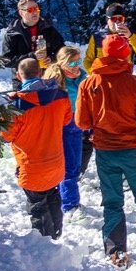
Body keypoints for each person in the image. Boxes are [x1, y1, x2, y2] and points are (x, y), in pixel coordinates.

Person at [75, 34, 136, 269]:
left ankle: (117, 252)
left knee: (112, 201)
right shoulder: (135, 83)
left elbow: (82, 122)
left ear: (104, 53)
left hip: (105, 151)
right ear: (126, 54)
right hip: (134, 150)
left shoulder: (88, 84)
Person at [0, 57, 73, 240]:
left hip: (31, 166)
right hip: (56, 162)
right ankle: (56, 233)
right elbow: (66, 120)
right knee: (52, 196)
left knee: (37, 206)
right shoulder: (60, 95)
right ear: (40, 73)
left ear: (18, 76)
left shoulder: (16, 106)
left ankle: (45, 243)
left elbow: (5, 136)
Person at [43, 45, 87, 214]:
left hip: (76, 126)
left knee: (73, 165)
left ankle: (62, 199)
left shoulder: (82, 77)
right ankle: (70, 205)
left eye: (78, 62)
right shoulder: (53, 80)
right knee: (68, 167)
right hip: (58, 126)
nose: (76, 66)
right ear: (61, 63)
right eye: (71, 63)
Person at [2, 0, 65, 80]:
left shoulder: (48, 29)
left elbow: (62, 52)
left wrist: (51, 59)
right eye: (30, 10)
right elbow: (6, 61)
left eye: (37, 9)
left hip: (47, 77)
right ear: (21, 13)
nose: (35, 12)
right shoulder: (13, 33)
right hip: (23, 80)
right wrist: (32, 56)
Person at [83, 2, 136, 72]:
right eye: (113, 19)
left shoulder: (132, 35)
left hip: (124, 77)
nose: (117, 22)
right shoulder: (97, 37)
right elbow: (88, 61)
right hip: (104, 77)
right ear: (107, 20)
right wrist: (95, 74)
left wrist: (131, 37)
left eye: (120, 19)